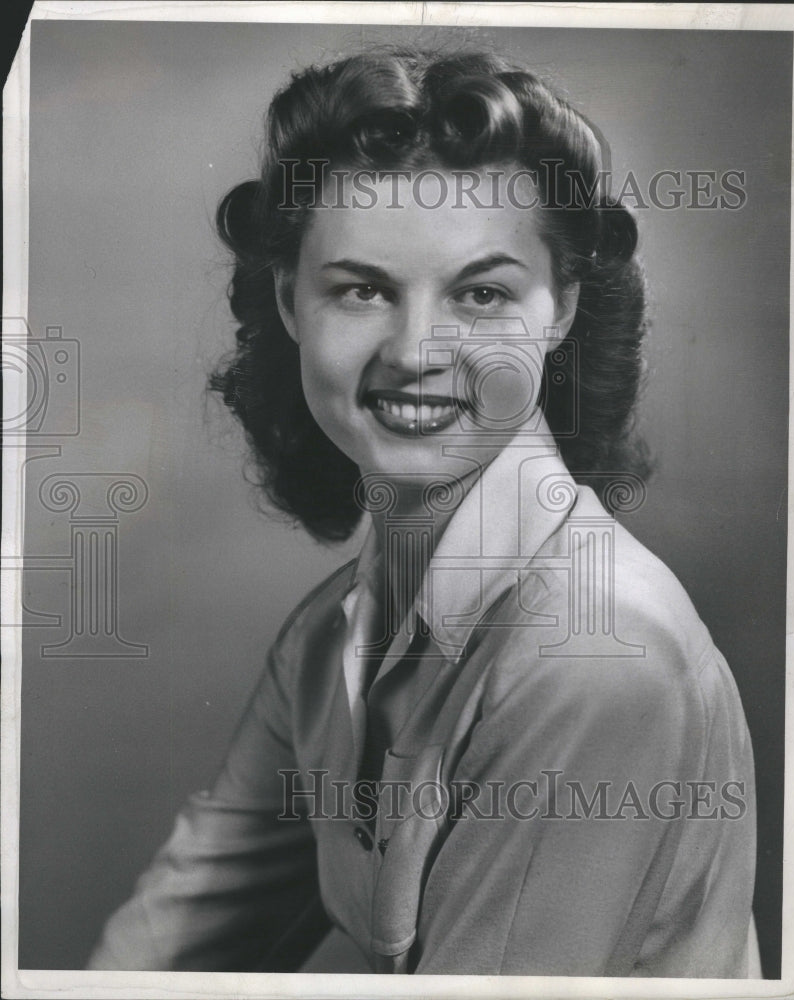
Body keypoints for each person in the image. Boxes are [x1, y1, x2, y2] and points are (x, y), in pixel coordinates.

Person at [87, 47, 759, 977]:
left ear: (560, 307)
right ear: (289, 300)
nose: (415, 351)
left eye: (481, 294)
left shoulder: (598, 656)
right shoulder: (331, 639)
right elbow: (154, 959)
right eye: (362, 289)